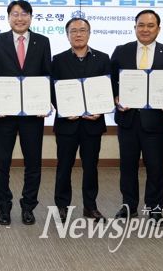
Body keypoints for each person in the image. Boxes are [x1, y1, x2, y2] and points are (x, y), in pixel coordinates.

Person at [111, 10, 163, 222]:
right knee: (127, 167)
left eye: (150, 26)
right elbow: (111, 81)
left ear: (158, 29)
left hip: (155, 121)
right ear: (135, 28)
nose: (145, 29)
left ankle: (155, 209)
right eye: (141, 25)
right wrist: (115, 97)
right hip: (128, 120)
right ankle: (128, 206)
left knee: (155, 167)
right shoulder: (121, 51)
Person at [0, 0, 51, 226]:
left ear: (31, 17)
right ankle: (4, 207)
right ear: (8, 17)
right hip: (5, 114)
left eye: (24, 14)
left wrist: (45, 102)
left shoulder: (43, 41)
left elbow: (47, 74)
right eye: (15, 14)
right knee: (1, 163)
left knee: (33, 162)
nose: (19, 18)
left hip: (32, 115)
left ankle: (28, 206)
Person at [50, 17, 109, 222]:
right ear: (67, 35)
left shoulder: (103, 59)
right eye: (73, 31)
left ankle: (90, 207)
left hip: (93, 124)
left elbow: (108, 88)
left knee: (91, 167)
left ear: (89, 33)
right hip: (67, 123)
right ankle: (62, 206)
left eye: (82, 30)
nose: (78, 34)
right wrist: (63, 109)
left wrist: (101, 109)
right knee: (64, 167)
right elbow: (52, 89)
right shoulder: (58, 60)